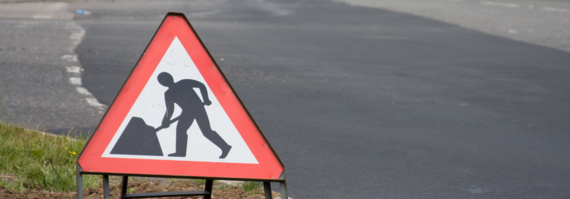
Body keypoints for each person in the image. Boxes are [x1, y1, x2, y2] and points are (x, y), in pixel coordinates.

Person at [158, 72, 232, 159]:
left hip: (198, 108)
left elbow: (201, 85)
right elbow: (170, 109)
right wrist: (165, 120)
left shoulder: (183, 83)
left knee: (206, 131)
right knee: (181, 129)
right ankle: (180, 152)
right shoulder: (168, 93)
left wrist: (206, 99)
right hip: (187, 112)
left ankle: (225, 147)